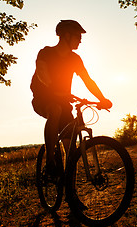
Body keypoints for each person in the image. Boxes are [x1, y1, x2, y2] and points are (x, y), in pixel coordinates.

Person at [30, 20, 112, 176]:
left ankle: (71, 192)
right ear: (66, 35)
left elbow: (88, 81)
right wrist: (53, 88)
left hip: (63, 101)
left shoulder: (75, 59)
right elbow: (41, 73)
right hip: (43, 98)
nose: (80, 40)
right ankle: (50, 162)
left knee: (71, 150)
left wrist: (102, 98)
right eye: (78, 36)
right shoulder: (45, 52)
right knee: (55, 110)